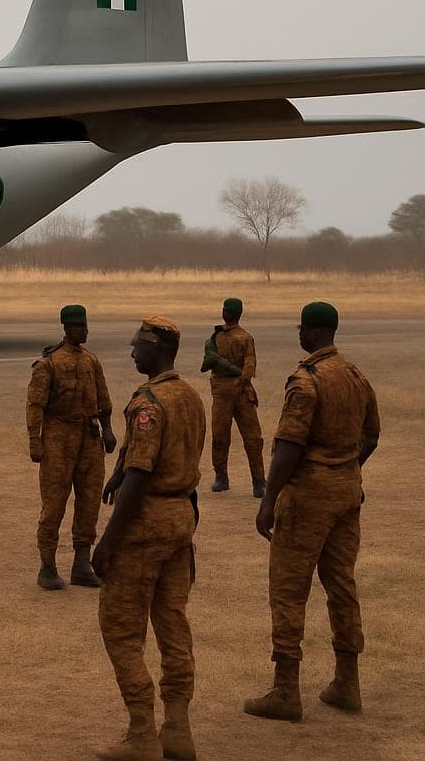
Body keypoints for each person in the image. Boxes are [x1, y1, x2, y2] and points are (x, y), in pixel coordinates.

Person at [243, 301, 380, 722]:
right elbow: (371, 435)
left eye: (302, 328)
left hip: (308, 499)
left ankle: (286, 691)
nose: (298, 335)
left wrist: (269, 500)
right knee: (342, 586)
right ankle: (347, 682)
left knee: (288, 589)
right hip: (346, 493)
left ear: (315, 332)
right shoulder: (355, 375)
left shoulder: (307, 381)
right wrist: (346, 467)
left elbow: (290, 446)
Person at [92, 316, 205, 761]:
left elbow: (141, 473)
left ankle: (141, 733)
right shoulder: (190, 396)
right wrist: (118, 470)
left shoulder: (150, 402)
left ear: (155, 351)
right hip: (181, 519)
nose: (132, 353)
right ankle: (178, 728)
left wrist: (107, 541)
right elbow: (152, 456)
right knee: (173, 621)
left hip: (146, 523)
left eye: (137, 347)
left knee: (121, 630)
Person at [25, 304, 117, 591]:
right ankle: (47, 565)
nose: (85, 331)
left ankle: (81, 561)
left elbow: (103, 400)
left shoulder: (91, 361)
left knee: (89, 501)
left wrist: (109, 430)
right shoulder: (48, 364)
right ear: (67, 328)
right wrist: (35, 440)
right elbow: (35, 404)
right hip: (58, 437)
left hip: (89, 437)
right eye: (79, 326)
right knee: (54, 503)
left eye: (86, 326)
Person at [200, 297, 266, 496]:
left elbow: (250, 364)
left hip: (241, 392)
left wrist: (241, 381)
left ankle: (258, 480)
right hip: (222, 391)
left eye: (228, 310)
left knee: (253, 438)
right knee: (220, 435)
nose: (226, 313)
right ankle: (221, 476)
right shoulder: (215, 338)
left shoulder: (244, 338)